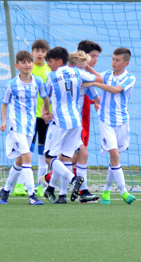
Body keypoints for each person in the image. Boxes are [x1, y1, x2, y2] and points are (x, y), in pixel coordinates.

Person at [41, 47, 101, 204]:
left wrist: (45, 111)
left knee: (49, 158)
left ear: (59, 61)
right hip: (76, 120)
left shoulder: (52, 76)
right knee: (66, 157)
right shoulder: (78, 73)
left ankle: (74, 179)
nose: (48, 64)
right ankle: (61, 195)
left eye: (50, 61)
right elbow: (96, 81)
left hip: (59, 121)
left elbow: (45, 96)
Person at [0, 50, 51, 206]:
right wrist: (4, 121)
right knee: (27, 157)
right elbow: (4, 104)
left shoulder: (38, 81)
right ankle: (32, 195)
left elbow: (45, 97)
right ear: (17, 65)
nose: (27, 65)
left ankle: (6, 190)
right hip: (16, 126)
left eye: (29, 62)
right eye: (23, 62)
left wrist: (46, 112)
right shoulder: (12, 84)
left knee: (21, 160)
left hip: (30, 125)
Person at [90, 47, 136, 205]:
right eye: (113, 59)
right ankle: (124, 192)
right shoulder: (105, 75)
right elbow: (92, 76)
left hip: (122, 121)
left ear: (126, 63)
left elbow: (116, 90)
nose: (114, 63)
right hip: (105, 121)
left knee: (115, 158)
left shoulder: (130, 78)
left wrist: (96, 83)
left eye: (117, 60)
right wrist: (86, 65)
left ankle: (107, 191)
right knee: (115, 155)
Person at [12, 39, 51, 198]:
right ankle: (20, 185)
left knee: (43, 153)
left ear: (47, 53)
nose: (40, 54)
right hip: (28, 119)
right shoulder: (27, 70)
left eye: (43, 51)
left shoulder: (50, 70)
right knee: (25, 151)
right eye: (37, 51)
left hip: (45, 118)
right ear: (32, 52)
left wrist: (48, 111)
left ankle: (41, 185)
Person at [74, 40, 103, 202]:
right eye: (93, 56)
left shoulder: (86, 76)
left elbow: (95, 95)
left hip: (77, 121)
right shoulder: (75, 73)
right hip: (65, 122)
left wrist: (100, 104)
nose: (96, 60)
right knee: (75, 155)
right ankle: (51, 181)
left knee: (79, 154)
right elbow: (98, 80)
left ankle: (80, 191)